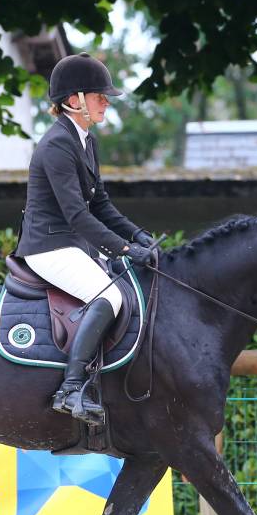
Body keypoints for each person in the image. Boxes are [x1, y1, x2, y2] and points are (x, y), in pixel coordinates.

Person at [15, 52, 156, 426]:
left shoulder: (85, 141)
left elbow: (102, 204)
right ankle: (71, 387)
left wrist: (138, 234)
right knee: (108, 294)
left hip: (74, 245)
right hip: (49, 246)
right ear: (74, 100)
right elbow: (78, 215)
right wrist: (126, 250)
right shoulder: (56, 145)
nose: (105, 101)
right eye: (99, 95)